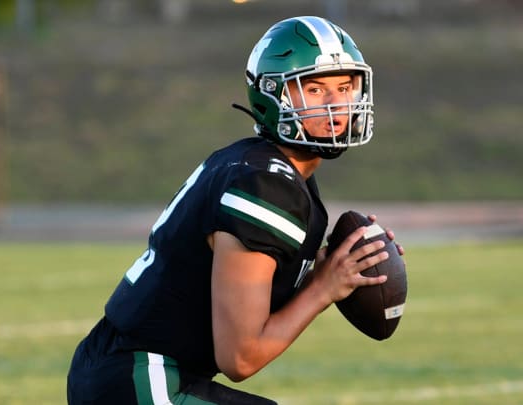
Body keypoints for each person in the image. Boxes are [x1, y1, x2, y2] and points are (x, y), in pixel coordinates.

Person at [67, 16, 403, 404]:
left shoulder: (267, 169)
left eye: (345, 87)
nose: (336, 104)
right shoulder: (267, 184)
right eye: (314, 89)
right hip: (140, 378)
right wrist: (323, 289)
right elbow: (241, 357)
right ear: (273, 96)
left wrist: (331, 269)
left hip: (128, 370)